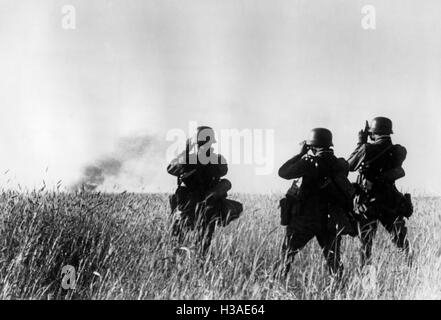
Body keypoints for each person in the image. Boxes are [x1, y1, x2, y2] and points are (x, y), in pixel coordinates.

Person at [278, 128, 353, 277]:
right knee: (334, 261)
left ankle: (275, 286)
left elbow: (283, 172)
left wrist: (301, 154)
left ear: (312, 145)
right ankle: (340, 292)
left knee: (287, 256)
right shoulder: (340, 164)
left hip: (305, 220)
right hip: (330, 220)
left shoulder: (308, 163)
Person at [167, 126, 243, 255]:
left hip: (207, 204)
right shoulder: (187, 158)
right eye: (201, 142)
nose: (202, 145)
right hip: (188, 204)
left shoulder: (217, 159)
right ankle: (179, 263)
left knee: (203, 243)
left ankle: (199, 264)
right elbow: (172, 169)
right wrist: (186, 152)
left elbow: (222, 170)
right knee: (177, 241)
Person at [348, 117, 413, 266]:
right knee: (401, 242)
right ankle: (410, 270)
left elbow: (349, 166)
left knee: (365, 245)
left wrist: (361, 142)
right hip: (391, 200)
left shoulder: (366, 149)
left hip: (368, 202)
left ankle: (366, 278)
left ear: (373, 132)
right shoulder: (399, 150)